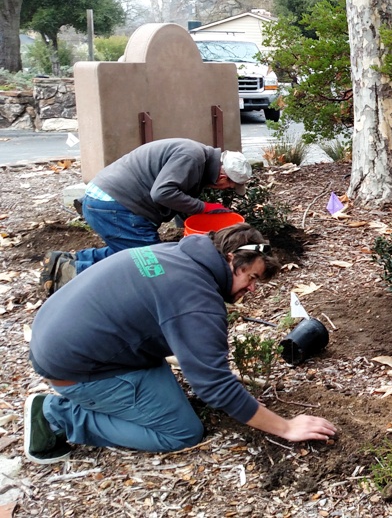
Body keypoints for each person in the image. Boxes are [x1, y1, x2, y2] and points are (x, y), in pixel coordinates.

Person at [24, 223, 336, 464]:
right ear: (231, 259)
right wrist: (286, 427)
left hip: (56, 334)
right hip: (76, 369)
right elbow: (214, 386)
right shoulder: (197, 301)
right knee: (182, 432)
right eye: (250, 277)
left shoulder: (178, 253)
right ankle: (56, 417)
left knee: (172, 401)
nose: (252, 289)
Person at [40, 138, 251, 295]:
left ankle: (67, 262)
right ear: (223, 175)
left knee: (130, 252)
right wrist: (203, 207)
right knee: (149, 263)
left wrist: (196, 222)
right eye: (230, 185)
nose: (227, 189)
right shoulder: (191, 156)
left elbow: (177, 195)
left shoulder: (198, 158)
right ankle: (72, 274)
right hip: (115, 206)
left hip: (107, 200)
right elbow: (162, 193)